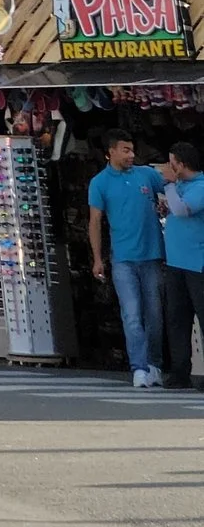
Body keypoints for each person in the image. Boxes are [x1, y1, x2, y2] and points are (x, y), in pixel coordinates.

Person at [90, 129, 170, 387]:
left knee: (155, 315)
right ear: (111, 151)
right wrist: (97, 258)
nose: (131, 155)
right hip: (123, 258)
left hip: (153, 255)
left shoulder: (146, 174)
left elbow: (170, 187)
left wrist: (165, 204)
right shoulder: (99, 182)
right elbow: (95, 221)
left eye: (132, 150)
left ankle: (154, 364)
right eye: (125, 150)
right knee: (132, 315)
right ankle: (138, 367)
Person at [161, 143, 204, 389]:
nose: (169, 167)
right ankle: (179, 371)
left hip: (197, 263)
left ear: (182, 163)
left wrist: (168, 185)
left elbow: (181, 209)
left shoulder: (200, 187)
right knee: (177, 318)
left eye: (171, 162)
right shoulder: (179, 187)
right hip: (176, 261)